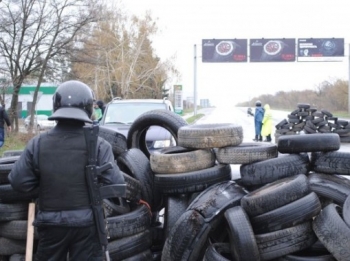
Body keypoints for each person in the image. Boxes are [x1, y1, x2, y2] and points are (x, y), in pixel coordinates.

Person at [8, 80, 125, 261]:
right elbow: (116, 183)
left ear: (56, 105)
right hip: (87, 224)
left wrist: (45, 186)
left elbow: (18, 182)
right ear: (89, 107)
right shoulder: (99, 145)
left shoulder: (38, 143)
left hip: (50, 223)